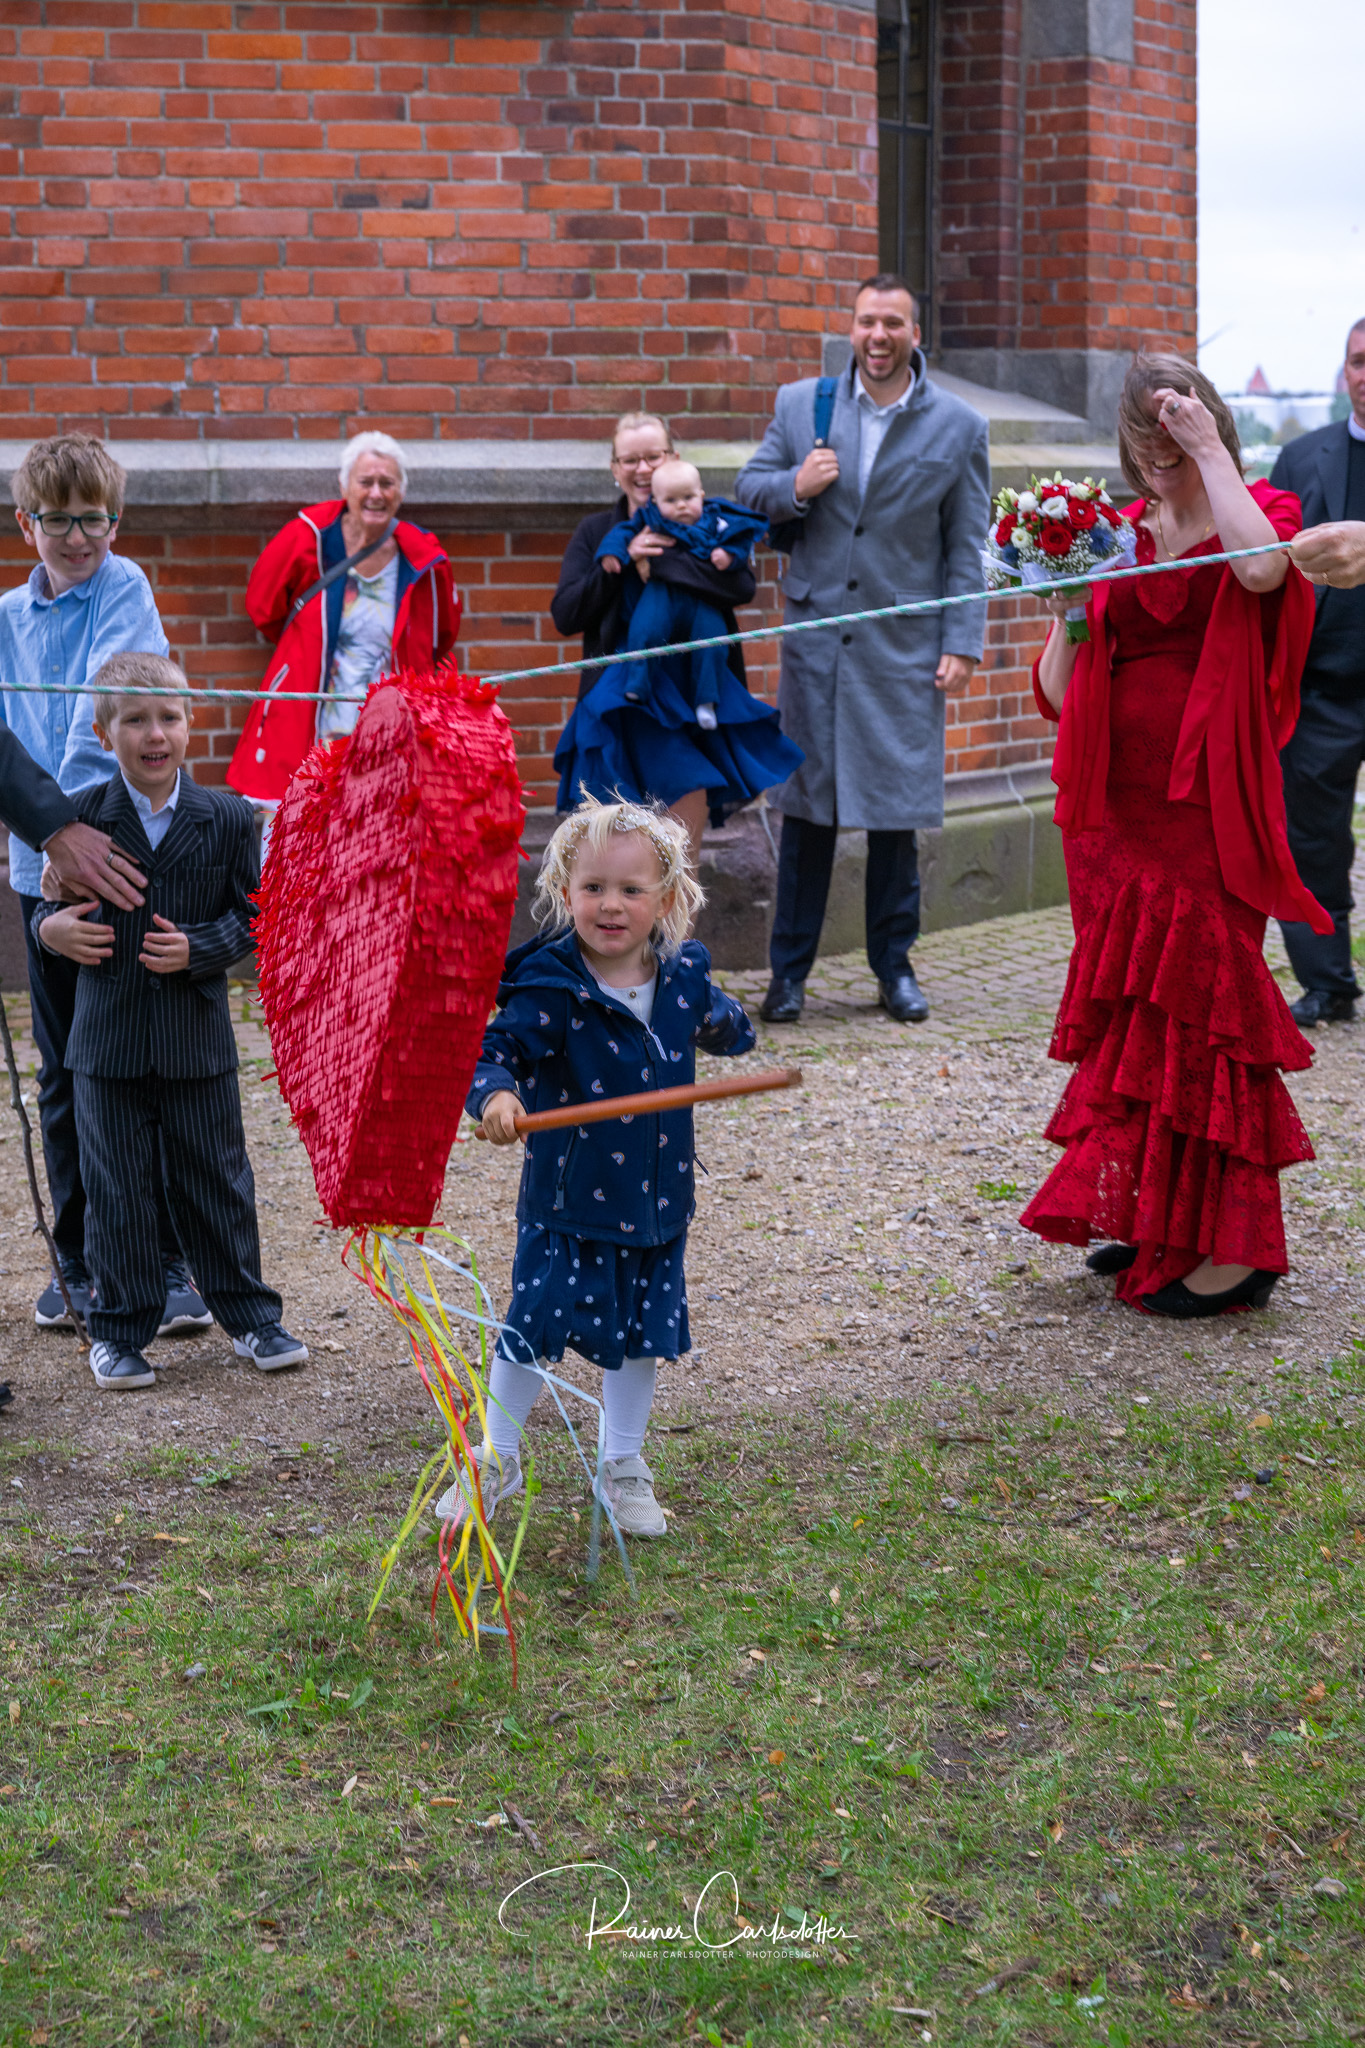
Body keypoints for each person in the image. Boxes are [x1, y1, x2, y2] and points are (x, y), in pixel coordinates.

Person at [1020, 353, 1328, 1320]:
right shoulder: (1113, 536)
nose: (1159, 455)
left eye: (1175, 435)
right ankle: (1159, 1214)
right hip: (1112, 811)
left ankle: (1237, 1246)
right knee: (1137, 1017)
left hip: (1208, 800)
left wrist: (1210, 454)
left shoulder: (1259, 506)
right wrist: (1064, 602)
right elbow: (1058, 695)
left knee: (1205, 1003)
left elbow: (1260, 569)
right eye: (1143, 439)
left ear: (1208, 425)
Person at [439, 796, 755, 1537]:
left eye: (631, 889)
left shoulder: (680, 974)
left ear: (667, 898)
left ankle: (623, 1465)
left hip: (655, 1202)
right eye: (593, 888)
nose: (610, 905)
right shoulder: (552, 985)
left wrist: (723, 1023)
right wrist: (497, 1097)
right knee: (529, 1326)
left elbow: (726, 1028)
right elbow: (493, 1055)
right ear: (564, 891)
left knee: (639, 1335)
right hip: (569, 1199)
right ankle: (497, 1456)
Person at [33, 654, 308, 1390]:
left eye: (169, 718)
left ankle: (251, 1315)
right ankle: (120, 1329)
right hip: (106, 1044)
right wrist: (51, 934)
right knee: (114, 1188)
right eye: (134, 720)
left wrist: (200, 948)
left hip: (197, 1041)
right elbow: (46, 910)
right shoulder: (80, 820)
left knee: (216, 1180)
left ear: (192, 726)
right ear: (103, 731)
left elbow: (257, 918)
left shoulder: (226, 817)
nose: (155, 734)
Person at [736, 274, 992, 1026]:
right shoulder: (800, 405)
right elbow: (748, 489)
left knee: (893, 816)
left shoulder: (959, 426)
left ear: (916, 334)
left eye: (892, 323)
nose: (876, 336)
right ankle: (787, 977)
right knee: (806, 815)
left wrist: (962, 641)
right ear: (850, 330)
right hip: (817, 645)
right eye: (864, 322)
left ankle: (894, 968)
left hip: (904, 648)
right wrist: (796, 483)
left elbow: (964, 544)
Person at [0, 432, 209, 1336]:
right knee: (64, 1069)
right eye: (58, 521)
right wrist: (43, 838)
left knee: (136, 1063)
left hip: (113, 855)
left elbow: (104, 716)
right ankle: (80, 1258)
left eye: (94, 520)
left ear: (115, 522)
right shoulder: (7, 616)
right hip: (35, 864)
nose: (78, 537)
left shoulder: (124, 589)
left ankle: (163, 1263)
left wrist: (73, 826)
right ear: (26, 523)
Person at [553, 460, 802, 858]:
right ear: (615, 467)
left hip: (691, 694)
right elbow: (566, 614)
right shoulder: (600, 530)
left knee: (679, 852)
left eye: (654, 455)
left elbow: (738, 584)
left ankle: (674, 922)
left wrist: (664, 564)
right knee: (614, 854)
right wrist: (623, 562)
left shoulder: (709, 517)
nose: (643, 467)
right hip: (621, 703)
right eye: (630, 458)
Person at [227, 431, 460, 811]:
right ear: (344, 485)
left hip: (387, 738)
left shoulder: (424, 558)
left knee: (374, 849)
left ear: (401, 491)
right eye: (365, 481)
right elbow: (263, 606)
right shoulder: (308, 537)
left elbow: (442, 635)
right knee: (291, 838)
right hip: (308, 721)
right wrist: (303, 651)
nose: (376, 493)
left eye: (387, 483)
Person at [1269, 318, 1365, 1026]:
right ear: (1343, 373)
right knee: (1310, 841)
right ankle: (1327, 983)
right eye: (1357, 363)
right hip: (1322, 687)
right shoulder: (1300, 458)